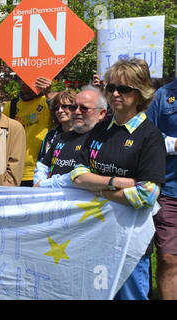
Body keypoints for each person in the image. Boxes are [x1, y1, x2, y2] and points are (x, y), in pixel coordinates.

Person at [71, 58, 166, 300]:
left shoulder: (150, 136)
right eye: (110, 87)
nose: (114, 94)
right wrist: (117, 182)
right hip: (95, 231)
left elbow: (146, 194)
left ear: (140, 92)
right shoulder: (101, 129)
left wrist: (98, 188)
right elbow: (77, 175)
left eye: (123, 89)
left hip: (130, 239)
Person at [34, 86, 107, 188]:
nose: (77, 111)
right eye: (74, 107)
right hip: (51, 199)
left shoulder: (103, 140)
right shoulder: (60, 137)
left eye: (84, 108)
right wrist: (38, 183)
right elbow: (43, 165)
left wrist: (44, 184)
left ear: (101, 113)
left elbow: (80, 177)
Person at [146, 77, 177, 300]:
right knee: (168, 257)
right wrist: (174, 144)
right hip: (170, 189)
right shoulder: (162, 96)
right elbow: (148, 136)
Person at [3, 76, 54, 186]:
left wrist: (49, 94)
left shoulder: (47, 102)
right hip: (13, 171)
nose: (26, 83)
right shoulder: (10, 106)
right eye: (23, 79)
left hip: (39, 172)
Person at [37, 90, 76, 163]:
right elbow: (42, 161)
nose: (60, 110)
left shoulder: (85, 135)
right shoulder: (51, 135)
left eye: (64, 106)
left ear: (75, 108)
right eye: (57, 108)